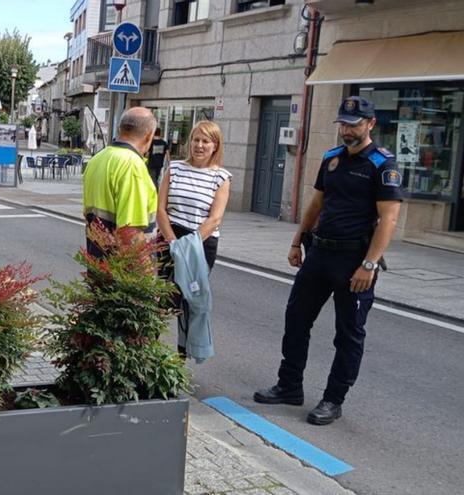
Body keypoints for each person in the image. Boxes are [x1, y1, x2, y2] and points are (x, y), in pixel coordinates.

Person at [254, 96, 402, 426]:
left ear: (371, 124)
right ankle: (289, 385)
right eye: (344, 124)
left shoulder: (382, 165)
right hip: (319, 253)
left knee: (348, 335)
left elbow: (389, 219)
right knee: (296, 319)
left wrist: (369, 264)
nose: (347, 130)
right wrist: (297, 241)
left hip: (354, 260)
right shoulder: (332, 158)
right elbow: (316, 203)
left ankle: (333, 399)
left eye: (355, 124)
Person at [155, 121, 231, 360]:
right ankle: (146, 349)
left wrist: (188, 247)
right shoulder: (174, 169)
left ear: (215, 145)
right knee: (164, 297)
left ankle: (181, 356)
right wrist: (171, 240)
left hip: (200, 244)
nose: (199, 145)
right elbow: (160, 208)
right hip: (170, 238)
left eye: (206, 141)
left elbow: (215, 218)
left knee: (188, 299)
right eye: (196, 140)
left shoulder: (221, 177)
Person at [82, 107, 158, 258]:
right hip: (123, 270)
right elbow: (130, 232)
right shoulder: (132, 165)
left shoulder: (97, 159)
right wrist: (147, 274)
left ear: (120, 129)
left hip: (98, 261)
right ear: (149, 135)